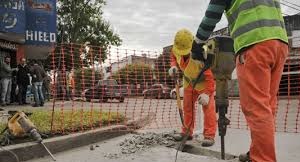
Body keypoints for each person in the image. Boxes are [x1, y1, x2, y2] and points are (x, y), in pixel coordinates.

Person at [192, 0, 288, 161]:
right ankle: (258, 151)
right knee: (267, 106)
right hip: (280, 43)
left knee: (256, 107)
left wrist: (198, 42)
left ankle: (262, 159)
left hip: (254, 43)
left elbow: (213, 12)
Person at [169, 29, 216, 147]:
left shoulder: (200, 54)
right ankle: (187, 132)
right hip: (188, 81)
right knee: (187, 107)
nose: (183, 54)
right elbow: (173, 56)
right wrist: (173, 66)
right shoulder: (176, 48)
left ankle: (209, 136)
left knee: (208, 108)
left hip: (203, 84)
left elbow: (210, 77)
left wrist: (207, 93)